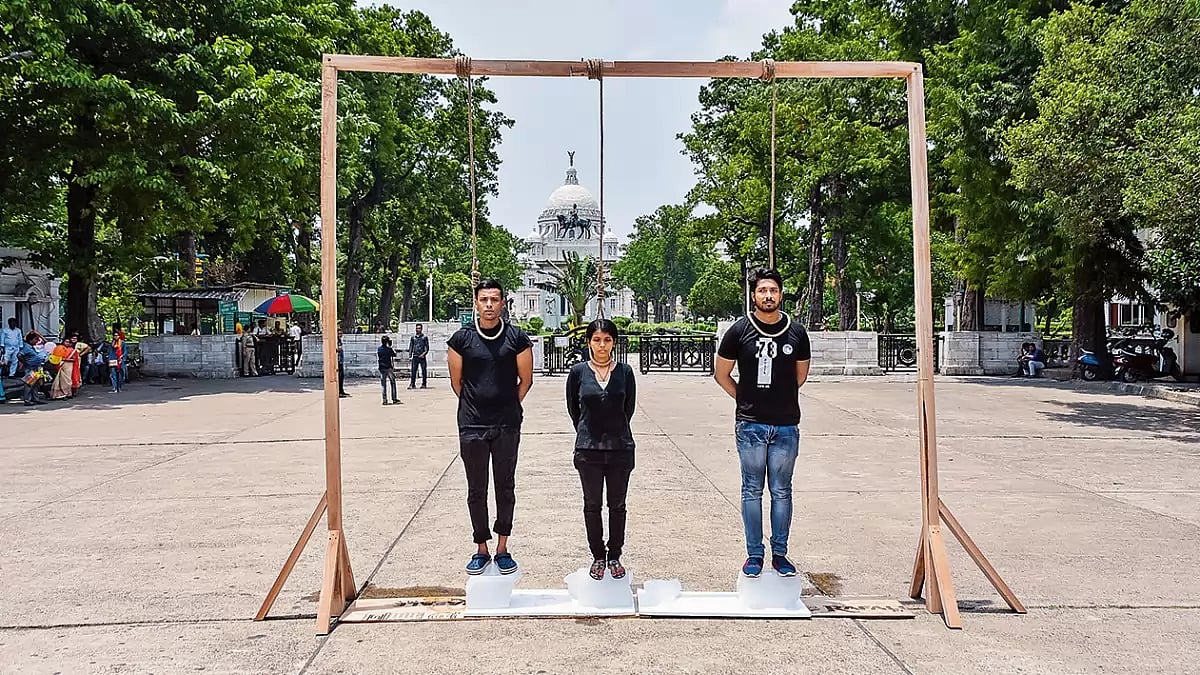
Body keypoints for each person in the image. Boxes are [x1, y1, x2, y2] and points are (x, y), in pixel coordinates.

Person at [713, 267, 812, 579]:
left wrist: (778, 398)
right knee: (751, 490)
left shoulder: (796, 333)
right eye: (762, 291)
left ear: (781, 294)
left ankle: (780, 553)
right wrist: (744, 400)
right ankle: (754, 553)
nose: (768, 296)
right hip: (750, 426)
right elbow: (721, 374)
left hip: (785, 425)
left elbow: (800, 376)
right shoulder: (739, 331)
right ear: (753, 295)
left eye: (773, 290)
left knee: (782, 490)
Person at [447, 280, 534, 575]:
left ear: (503, 303)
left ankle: (502, 547)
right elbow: (456, 383)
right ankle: (481, 547)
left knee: (505, 485)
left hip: (507, 424)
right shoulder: (462, 339)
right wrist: (477, 405)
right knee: (476, 488)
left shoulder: (516, 338)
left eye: (494, 299)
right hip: (472, 424)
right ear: (475, 302)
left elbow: (526, 380)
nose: (488, 305)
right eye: (483, 299)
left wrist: (508, 403)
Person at [566, 319, 637, 581]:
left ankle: (615, 554)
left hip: (620, 448)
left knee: (617, 505)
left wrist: (614, 430)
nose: (602, 345)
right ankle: (597, 555)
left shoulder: (626, 372)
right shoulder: (578, 372)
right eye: (596, 340)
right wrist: (588, 432)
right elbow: (575, 409)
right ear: (588, 342)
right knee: (592, 505)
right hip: (588, 450)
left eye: (607, 340)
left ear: (614, 342)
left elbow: (627, 409)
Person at [377, 336, 401, 405]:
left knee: (383, 384)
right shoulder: (389, 349)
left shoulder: (379, 349)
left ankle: (384, 399)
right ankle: (394, 398)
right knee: (393, 382)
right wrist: (390, 346)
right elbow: (394, 354)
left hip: (382, 367)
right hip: (388, 367)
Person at [107, 322, 127, 393]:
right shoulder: (112, 343)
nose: (115, 337)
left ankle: (119, 387)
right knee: (113, 374)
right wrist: (109, 359)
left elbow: (125, 351)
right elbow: (109, 352)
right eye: (114, 335)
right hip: (113, 360)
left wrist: (122, 357)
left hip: (120, 360)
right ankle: (115, 387)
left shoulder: (122, 343)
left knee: (121, 375)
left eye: (117, 335)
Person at [408, 323, 429, 389]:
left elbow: (427, 348)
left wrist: (424, 354)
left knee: (423, 371)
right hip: (415, 356)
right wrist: (410, 354)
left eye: (419, 328)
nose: (418, 329)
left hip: (422, 356)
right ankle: (412, 384)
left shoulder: (424, 337)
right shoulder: (413, 338)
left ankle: (424, 383)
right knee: (413, 371)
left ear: (421, 329)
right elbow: (411, 346)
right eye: (417, 328)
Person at [337, 329, 349, 398]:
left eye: (341, 333)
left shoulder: (339, 340)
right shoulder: (336, 341)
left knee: (342, 377)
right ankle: (339, 391)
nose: (341, 335)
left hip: (341, 360)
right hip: (338, 360)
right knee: (339, 377)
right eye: (339, 333)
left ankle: (341, 390)